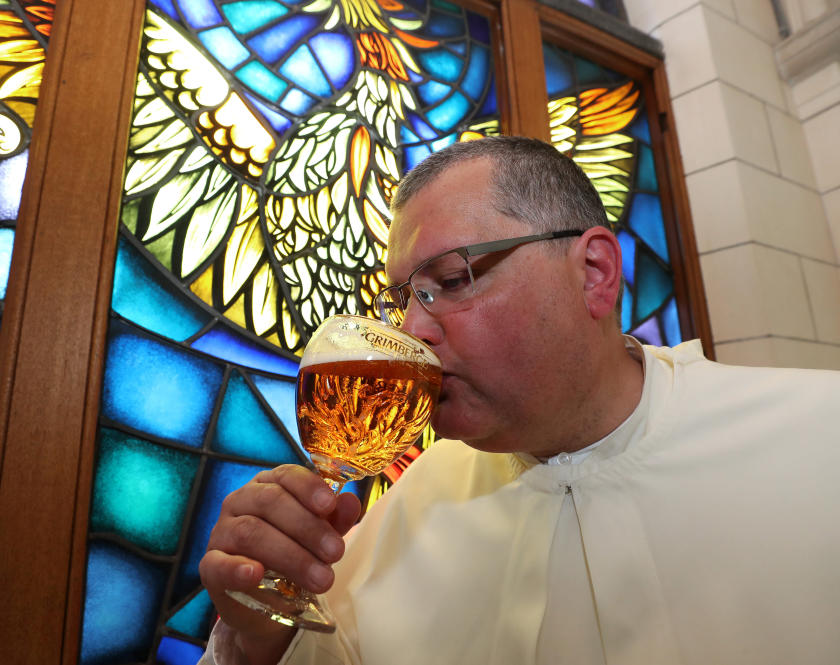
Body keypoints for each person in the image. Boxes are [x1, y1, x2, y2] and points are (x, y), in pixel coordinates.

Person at [197, 136, 840, 665]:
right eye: (403, 299)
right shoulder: (416, 501)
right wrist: (258, 628)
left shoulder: (818, 440)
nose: (412, 333)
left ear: (593, 273)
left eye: (450, 280)